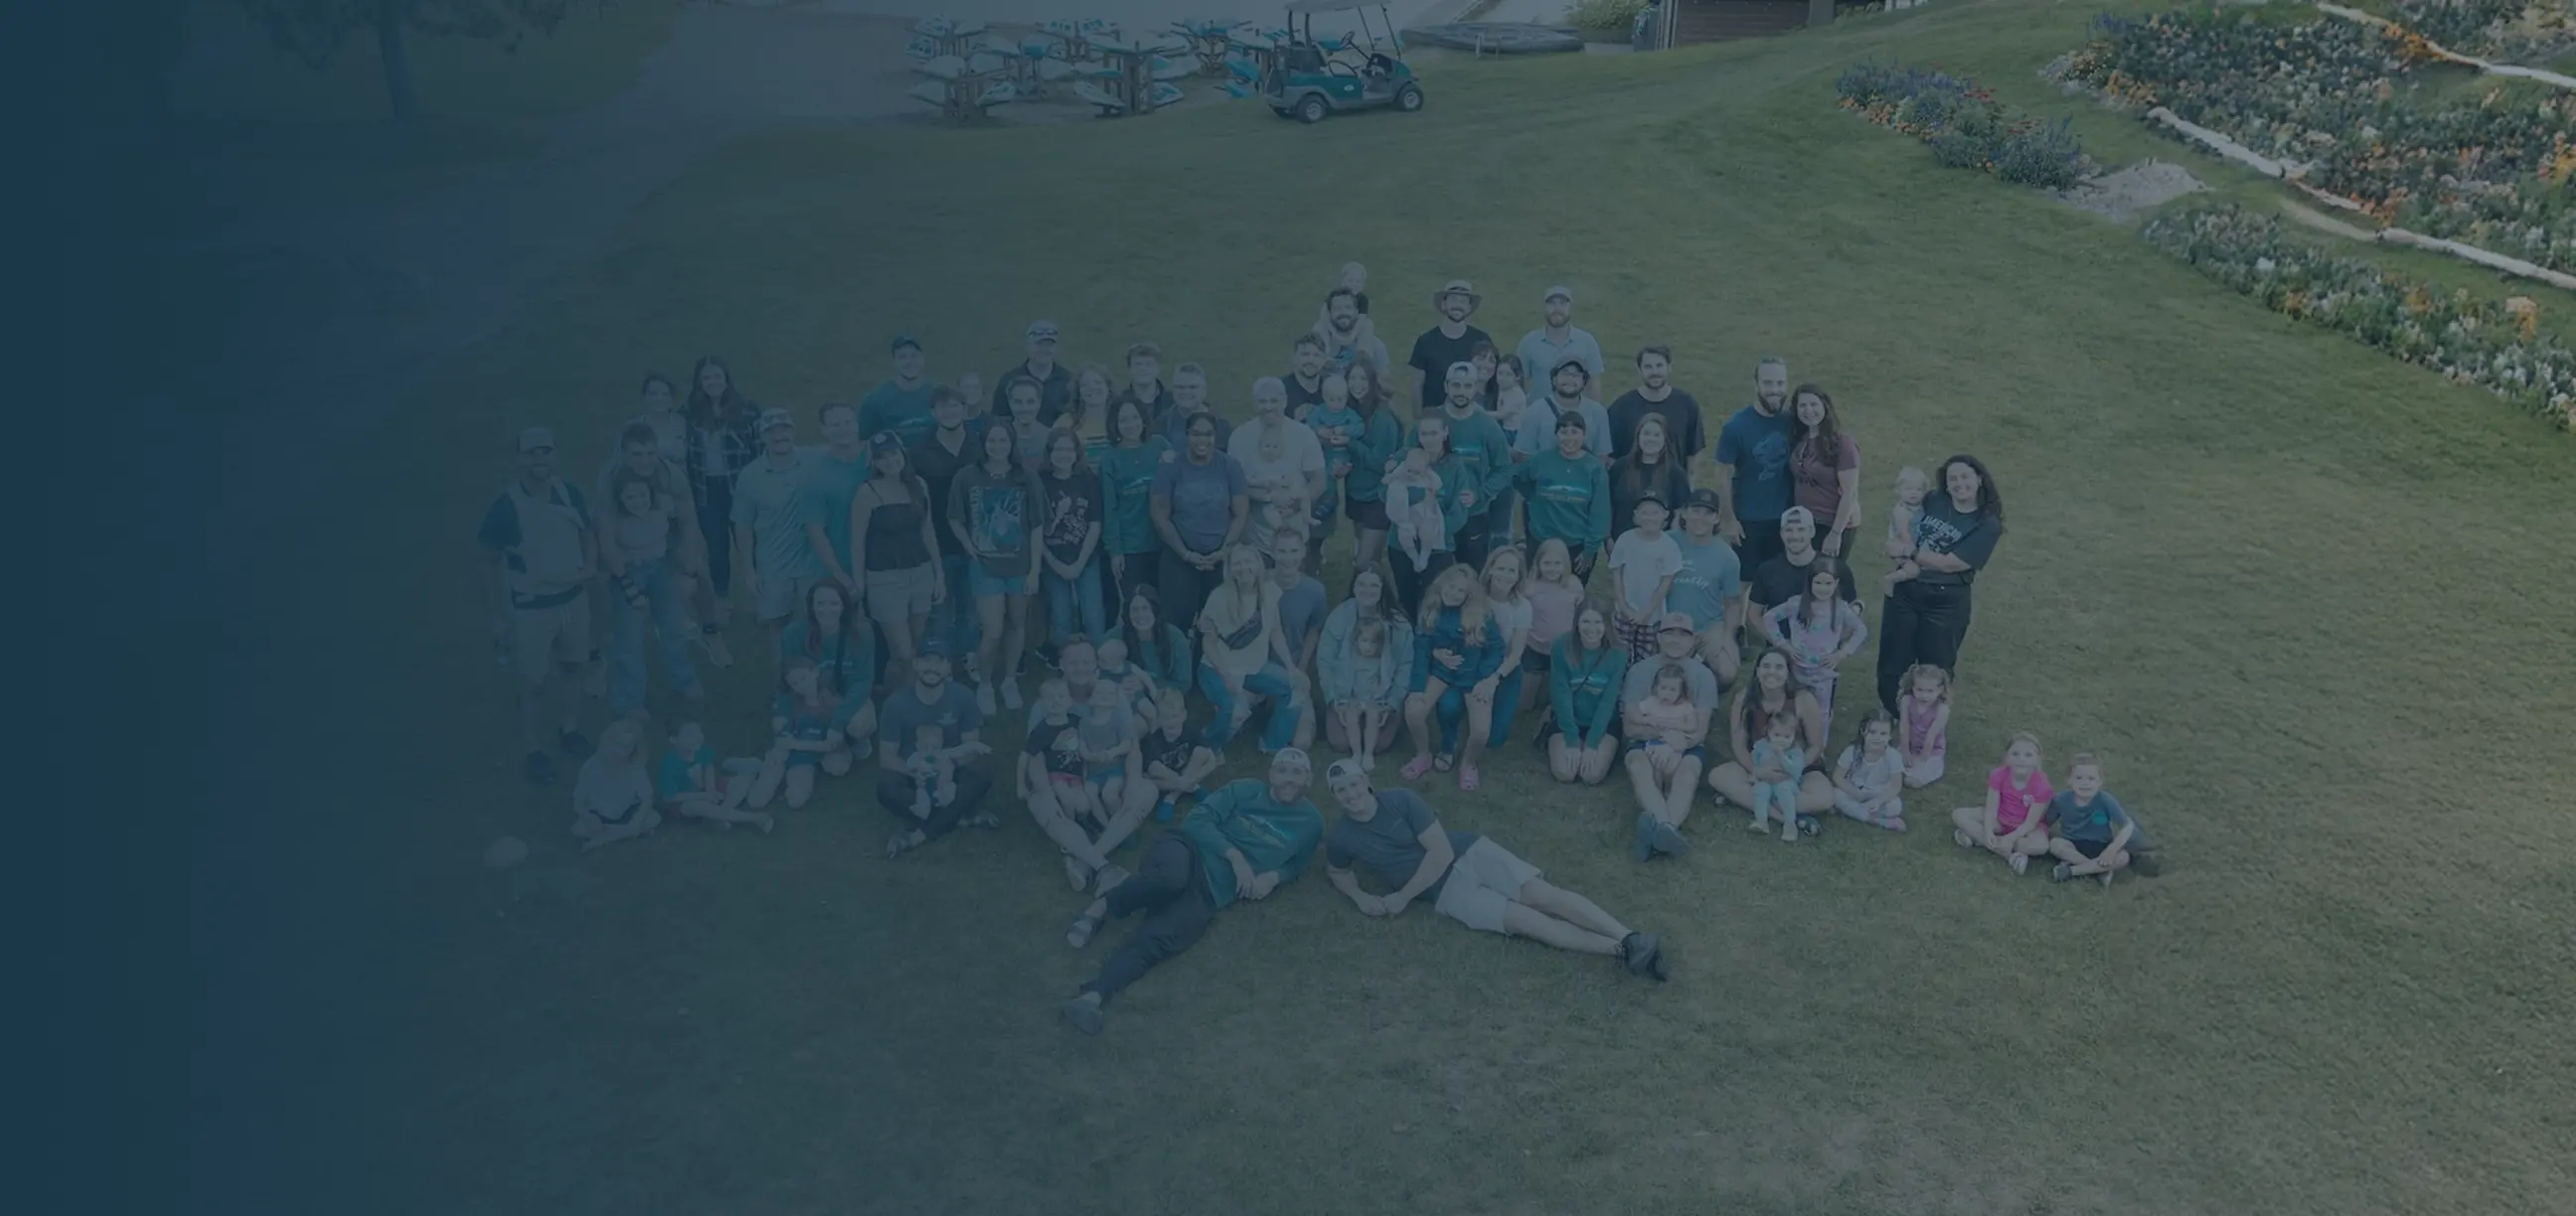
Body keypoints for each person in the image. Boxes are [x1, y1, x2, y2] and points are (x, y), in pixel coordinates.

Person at [1059, 750, 1327, 1036]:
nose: (1289, 779)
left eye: (1297, 773)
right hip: (1186, 849)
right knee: (1169, 880)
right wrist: (1235, 856)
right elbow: (1197, 821)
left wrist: (1273, 877)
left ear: (1308, 779)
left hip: (1212, 893)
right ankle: (1097, 910)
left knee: (1157, 940)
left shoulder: (1311, 823)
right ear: (1271, 774)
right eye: (1283, 770)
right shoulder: (1246, 789)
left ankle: (1093, 997)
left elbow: (1297, 864)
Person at [1321, 760, 1668, 978]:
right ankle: (1623, 951)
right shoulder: (1341, 836)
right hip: (1445, 894)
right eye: (1340, 790)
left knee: (1543, 896)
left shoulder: (1400, 800)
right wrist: (1359, 897)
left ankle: (1629, 935)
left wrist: (1402, 897)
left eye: (1353, 784)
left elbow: (1439, 854)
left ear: (1366, 781)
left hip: (1468, 853)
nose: (1350, 794)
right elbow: (1338, 872)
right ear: (1335, 796)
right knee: (1531, 924)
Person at [478, 427, 598, 785]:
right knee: (534, 681)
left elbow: (587, 532)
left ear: (554, 456)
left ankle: (569, 729)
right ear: (520, 460)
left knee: (574, 667)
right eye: (532, 453)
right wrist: (496, 616)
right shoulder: (506, 507)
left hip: (573, 602)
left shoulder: (569, 492)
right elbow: (486, 560)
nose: (539, 459)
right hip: (532, 609)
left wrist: (590, 565)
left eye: (545, 452)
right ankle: (534, 749)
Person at [1876, 454, 2006, 715]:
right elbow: (1902, 510)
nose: (1959, 483)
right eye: (1952, 479)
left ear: (1979, 480)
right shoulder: (1934, 500)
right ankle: (1894, 716)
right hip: (1906, 593)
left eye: (1965, 477)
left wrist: (1908, 552)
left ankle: (1926, 725)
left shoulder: (1987, 523)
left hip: (1945, 603)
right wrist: (1896, 542)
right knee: (1892, 663)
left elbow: (1952, 563)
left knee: (1936, 669)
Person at [949, 417, 1045, 714]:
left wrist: (1035, 570)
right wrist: (969, 548)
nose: (997, 446)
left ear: (1012, 444)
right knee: (992, 630)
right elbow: (954, 517)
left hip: (1020, 566)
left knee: (1017, 623)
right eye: (992, 440)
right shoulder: (967, 477)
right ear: (983, 443)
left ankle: (1010, 680)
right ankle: (986, 684)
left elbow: (1037, 525)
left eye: (1003, 440)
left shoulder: (1026, 478)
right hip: (985, 567)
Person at [599, 462, 705, 719]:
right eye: (630, 497)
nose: (638, 501)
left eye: (642, 495)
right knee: (629, 641)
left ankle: (684, 680)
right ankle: (629, 701)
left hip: (661, 568)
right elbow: (608, 551)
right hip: (628, 572)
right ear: (620, 499)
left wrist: (686, 569)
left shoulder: (663, 508)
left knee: (673, 628)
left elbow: (687, 524)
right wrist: (628, 588)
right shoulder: (612, 518)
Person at [1020, 677, 1140, 896]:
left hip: (1081, 777)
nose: (1057, 702)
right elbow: (1030, 758)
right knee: (1060, 804)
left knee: (1085, 802)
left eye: (1061, 698)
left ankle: (1085, 858)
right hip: (1054, 779)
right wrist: (1031, 787)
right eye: (1051, 699)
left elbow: (1127, 745)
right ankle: (1095, 858)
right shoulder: (1042, 723)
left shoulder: (1078, 720)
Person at [880, 636, 998, 857]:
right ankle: (961, 815)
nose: (932, 668)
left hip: (950, 773)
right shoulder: (895, 704)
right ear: (915, 664)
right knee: (886, 788)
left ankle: (917, 833)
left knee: (983, 772)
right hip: (913, 776)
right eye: (926, 660)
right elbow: (887, 757)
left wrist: (948, 767)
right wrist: (916, 771)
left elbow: (970, 748)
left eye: (939, 661)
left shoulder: (963, 697)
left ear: (947, 667)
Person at [725, 409, 824, 663]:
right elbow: (743, 526)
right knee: (778, 625)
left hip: (812, 561)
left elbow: (852, 451)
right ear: (762, 437)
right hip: (773, 565)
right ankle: (784, 681)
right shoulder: (750, 476)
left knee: (820, 621)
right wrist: (749, 570)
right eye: (771, 431)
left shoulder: (815, 459)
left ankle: (821, 679)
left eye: (784, 429)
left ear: (793, 431)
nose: (779, 436)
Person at [1705, 649, 1838, 836]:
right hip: (1759, 764)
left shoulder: (1803, 700)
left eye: (1779, 667)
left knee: (1824, 799)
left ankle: (1746, 799)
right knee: (1717, 776)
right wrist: (1757, 771)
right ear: (1757, 671)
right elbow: (1738, 745)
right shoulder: (1743, 699)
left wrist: (1791, 769)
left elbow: (1816, 746)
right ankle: (1786, 817)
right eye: (1766, 666)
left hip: (1801, 768)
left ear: (1787, 673)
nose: (1771, 672)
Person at [847, 432, 944, 685]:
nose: (890, 461)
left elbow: (928, 530)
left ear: (902, 454)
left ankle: (904, 694)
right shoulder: (867, 493)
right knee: (902, 652)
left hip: (920, 572)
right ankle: (911, 700)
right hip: (885, 579)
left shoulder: (918, 486)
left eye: (893, 453)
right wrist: (860, 583)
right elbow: (857, 543)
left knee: (917, 644)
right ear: (875, 463)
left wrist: (939, 575)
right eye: (882, 457)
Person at [1400, 564, 1505, 790]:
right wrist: (1418, 688)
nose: (1454, 594)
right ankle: (1423, 754)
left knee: (1480, 730)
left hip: (1474, 676)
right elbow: (1422, 649)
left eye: (1461, 591)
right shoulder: (1430, 610)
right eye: (1451, 587)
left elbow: (1497, 650)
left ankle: (1469, 764)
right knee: (1413, 710)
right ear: (1441, 585)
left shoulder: (1482, 615)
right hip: (1442, 673)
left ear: (1469, 595)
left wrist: (1486, 678)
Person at [682, 357, 760, 656]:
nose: (713, 382)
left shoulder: (747, 410)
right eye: (707, 378)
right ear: (699, 383)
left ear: (727, 379)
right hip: (706, 491)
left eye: (717, 376)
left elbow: (758, 449)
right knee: (716, 549)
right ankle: (722, 601)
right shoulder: (689, 414)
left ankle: (760, 599)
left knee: (750, 547)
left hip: (740, 489)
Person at [1197, 545, 1308, 754]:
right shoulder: (1218, 597)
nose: (1243, 567)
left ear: (1258, 565)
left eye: (1248, 561)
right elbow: (1208, 642)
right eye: (1237, 563)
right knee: (1234, 711)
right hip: (1216, 668)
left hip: (1254, 669)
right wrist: (1225, 675)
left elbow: (1275, 633)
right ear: (1230, 569)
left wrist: (1291, 668)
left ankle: (1272, 744)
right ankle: (1209, 742)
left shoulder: (1272, 592)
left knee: (1296, 689)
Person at [1150, 412, 1249, 630]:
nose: (1202, 440)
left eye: (1208, 434)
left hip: (1220, 557)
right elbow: (1160, 516)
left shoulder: (1230, 466)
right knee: (1177, 622)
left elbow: (1240, 513)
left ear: (1216, 436)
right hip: (1179, 557)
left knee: (1218, 623)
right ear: (1186, 435)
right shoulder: (1171, 466)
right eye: (1196, 434)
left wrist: (1224, 551)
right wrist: (1185, 554)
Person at [1410, 362, 1514, 570]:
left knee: (1472, 574)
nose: (1461, 391)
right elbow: (1407, 456)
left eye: (1467, 386)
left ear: (1476, 388)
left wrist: (1481, 493)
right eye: (1455, 385)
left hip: (1472, 513)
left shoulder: (1487, 425)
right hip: (1432, 511)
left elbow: (1505, 468)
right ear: (1446, 386)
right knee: (1431, 573)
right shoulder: (1432, 420)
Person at [1620, 634, 1712, 863]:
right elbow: (1630, 724)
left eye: (1682, 634)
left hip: (1683, 747)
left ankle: (1656, 831)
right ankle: (1666, 829)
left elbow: (1698, 729)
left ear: (1692, 641)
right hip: (1649, 743)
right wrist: (1661, 732)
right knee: (1640, 767)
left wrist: (1679, 736)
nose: (1675, 639)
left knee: (1688, 773)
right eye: (1670, 632)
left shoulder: (1701, 677)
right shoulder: (1641, 671)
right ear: (1659, 637)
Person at [908, 385, 981, 661]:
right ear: (932, 413)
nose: (950, 411)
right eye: (943, 406)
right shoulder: (918, 453)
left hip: (977, 543)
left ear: (964, 410)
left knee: (971, 610)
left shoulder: (980, 445)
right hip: (938, 544)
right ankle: (940, 663)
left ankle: (970, 658)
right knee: (941, 611)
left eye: (955, 405)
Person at [1318, 567, 1415, 761]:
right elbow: (1325, 661)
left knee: (1379, 745)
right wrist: (1334, 700)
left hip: (1381, 695)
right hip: (1345, 694)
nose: (1366, 590)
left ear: (1382, 589)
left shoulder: (1398, 624)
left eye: (1373, 585)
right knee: (1340, 743)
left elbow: (1405, 665)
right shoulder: (1340, 615)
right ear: (1353, 587)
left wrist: (1392, 703)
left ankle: (1379, 729)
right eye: (1361, 584)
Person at [1460, 545, 1533, 787]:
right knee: (1468, 720)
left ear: (1519, 575)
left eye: (1512, 570)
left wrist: (1494, 680)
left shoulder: (1522, 606)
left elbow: (1517, 653)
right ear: (1490, 570)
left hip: (1507, 672)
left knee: (1495, 738)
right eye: (1500, 568)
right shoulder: (1474, 599)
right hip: (1474, 666)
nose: (1505, 575)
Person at [779, 581, 878, 761]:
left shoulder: (862, 633)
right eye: (820, 603)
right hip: (812, 699)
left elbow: (863, 681)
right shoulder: (793, 634)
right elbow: (788, 679)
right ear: (811, 606)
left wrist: (838, 724)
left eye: (834, 603)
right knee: (836, 768)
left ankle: (854, 739)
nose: (827, 610)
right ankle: (826, 741)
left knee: (858, 725)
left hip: (848, 696)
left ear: (844, 606)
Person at [1381, 416, 1473, 612]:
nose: (1430, 439)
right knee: (1407, 598)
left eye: (1435, 433)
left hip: (1439, 545)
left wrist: (1433, 531)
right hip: (1402, 543)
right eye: (1424, 434)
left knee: (1435, 600)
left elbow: (1459, 510)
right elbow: (1383, 493)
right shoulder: (1404, 458)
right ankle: (1409, 637)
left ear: (1445, 433)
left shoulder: (1455, 466)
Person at [1228, 377, 1328, 556]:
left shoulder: (1303, 434)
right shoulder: (1239, 436)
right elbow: (1234, 486)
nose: (1268, 407)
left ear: (1284, 401)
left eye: (1274, 401)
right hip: (1254, 540)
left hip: (1295, 538)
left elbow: (1319, 480)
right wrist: (1270, 496)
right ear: (1253, 403)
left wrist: (1297, 504)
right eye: (1262, 401)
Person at [1715, 357, 1796, 573]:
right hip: (1748, 521)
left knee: (1782, 583)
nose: (1775, 390)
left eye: (1780, 383)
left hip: (1788, 522)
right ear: (1756, 385)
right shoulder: (1736, 427)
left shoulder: (1794, 422)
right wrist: (1729, 519)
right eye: (1768, 383)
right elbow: (1723, 475)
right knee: (1743, 584)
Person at [1761, 562, 1867, 723]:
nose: (1823, 588)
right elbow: (1769, 617)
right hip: (1796, 668)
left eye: (1828, 583)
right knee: (1792, 707)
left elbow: (1861, 630)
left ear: (1836, 584)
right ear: (1810, 582)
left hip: (1823, 672)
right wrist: (1782, 644)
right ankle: (1789, 739)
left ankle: (1819, 745)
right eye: (1818, 583)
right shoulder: (1796, 604)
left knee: (1822, 712)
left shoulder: (1840, 609)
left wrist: (1842, 653)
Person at [1515, 411, 1613, 582]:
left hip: (1576, 545)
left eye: (1575, 432)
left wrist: (1590, 549)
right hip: (1540, 541)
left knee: (1569, 596)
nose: (1569, 438)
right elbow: (1518, 478)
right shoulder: (1541, 460)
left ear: (1584, 435)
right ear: (1556, 435)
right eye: (1563, 432)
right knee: (1533, 591)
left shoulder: (1595, 469)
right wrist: (1533, 496)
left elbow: (1600, 512)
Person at [1098, 396, 1172, 616]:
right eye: (1123, 420)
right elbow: (1109, 509)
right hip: (1130, 548)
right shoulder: (1109, 459)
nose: (1130, 424)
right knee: (1137, 607)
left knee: (1163, 605)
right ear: (1115, 424)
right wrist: (1115, 551)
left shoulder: (1160, 445)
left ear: (1143, 419)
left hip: (1163, 542)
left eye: (1134, 417)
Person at [1036, 426, 1108, 646]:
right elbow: (1034, 527)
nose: (1063, 455)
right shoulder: (1039, 482)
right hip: (1052, 560)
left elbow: (1095, 524)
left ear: (1077, 453)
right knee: (1061, 615)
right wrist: (1054, 563)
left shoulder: (1088, 479)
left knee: (1093, 614)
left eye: (1069, 450)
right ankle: (1065, 664)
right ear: (1049, 453)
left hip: (1086, 560)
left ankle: (1099, 662)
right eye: (1058, 450)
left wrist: (1079, 564)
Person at [750, 656, 852, 811]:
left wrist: (796, 745)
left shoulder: (831, 703)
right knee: (756, 801)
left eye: (802, 678)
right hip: (782, 752)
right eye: (794, 683)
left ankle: (776, 774)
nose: (800, 685)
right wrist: (782, 743)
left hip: (805, 757)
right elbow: (780, 732)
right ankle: (753, 770)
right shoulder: (788, 701)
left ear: (815, 672)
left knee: (796, 800)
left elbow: (830, 744)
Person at [1669, 490, 1745, 686]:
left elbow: (1733, 603)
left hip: (1708, 626)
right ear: (1684, 513)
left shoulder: (1727, 557)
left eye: (1707, 513)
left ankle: (1701, 688)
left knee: (1727, 672)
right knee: (1659, 672)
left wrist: (1728, 637)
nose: (1700, 518)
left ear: (1716, 518)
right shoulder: (1666, 542)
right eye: (1695, 510)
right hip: (1668, 625)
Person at [1547, 603, 1628, 786]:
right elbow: (1561, 694)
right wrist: (1572, 741)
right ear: (1577, 623)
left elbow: (1608, 702)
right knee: (1565, 773)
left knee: (1591, 775)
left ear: (1607, 625)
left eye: (1598, 622)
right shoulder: (1562, 645)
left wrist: (1592, 744)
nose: (1592, 629)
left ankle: (1598, 748)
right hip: (1570, 718)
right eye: (1586, 621)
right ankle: (1560, 739)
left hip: (1603, 721)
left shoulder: (1618, 652)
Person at [800, 402, 872, 606]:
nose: (843, 429)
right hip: (839, 569)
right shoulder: (816, 476)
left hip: (878, 563)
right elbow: (816, 533)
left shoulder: (876, 458)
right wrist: (840, 575)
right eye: (836, 425)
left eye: (848, 422)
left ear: (857, 424)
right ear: (824, 430)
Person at [2043, 753, 2156, 884]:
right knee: (2055, 844)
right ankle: (2098, 870)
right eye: (2079, 778)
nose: (2085, 783)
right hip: (2073, 843)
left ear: (2100, 782)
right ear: (2069, 780)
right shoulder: (2061, 799)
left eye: (2091, 779)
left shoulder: (2105, 799)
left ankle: (2072, 871)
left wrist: (2111, 850)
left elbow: (2128, 826)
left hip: (2101, 846)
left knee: (2123, 857)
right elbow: (2046, 823)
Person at [1954, 731, 2054, 875]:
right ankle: (2010, 856)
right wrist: (1988, 831)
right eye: (2015, 754)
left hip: (2026, 828)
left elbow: (2031, 823)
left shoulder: (2042, 786)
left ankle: (1976, 839)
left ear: (2037, 760)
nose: (2021, 759)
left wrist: (2011, 838)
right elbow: (1991, 808)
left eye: (2028, 755)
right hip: (2000, 820)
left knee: (2041, 846)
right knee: (1959, 814)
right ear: (2007, 757)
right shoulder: (1998, 774)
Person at [1340, 361, 1406, 577]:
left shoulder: (1383, 418)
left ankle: (1359, 601)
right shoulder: (1349, 410)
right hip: (1356, 494)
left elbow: (1380, 463)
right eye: (1352, 378)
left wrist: (1349, 442)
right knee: (1371, 560)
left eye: (1362, 379)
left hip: (1378, 497)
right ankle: (1378, 601)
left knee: (1363, 563)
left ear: (1372, 382)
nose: (1356, 384)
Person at [1746, 508, 1860, 625]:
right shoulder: (1767, 570)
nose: (1795, 536)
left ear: (1812, 532)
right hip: (1779, 639)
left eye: (1801, 529)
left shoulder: (1835, 568)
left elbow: (1853, 607)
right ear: (1781, 534)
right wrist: (1777, 641)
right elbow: (1754, 613)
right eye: (1789, 530)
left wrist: (1836, 640)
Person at [657, 719, 773, 832]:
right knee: (699, 806)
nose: (698, 737)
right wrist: (703, 795)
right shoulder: (670, 763)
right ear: (674, 739)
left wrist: (711, 791)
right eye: (690, 734)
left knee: (742, 782)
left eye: (699, 731)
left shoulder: (701, 750)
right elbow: (669, 797)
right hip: (685, 802)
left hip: (705, 791)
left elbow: (709, 769)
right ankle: (755, 818)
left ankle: (718, 816)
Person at [1787, 383, 1860, 559]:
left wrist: (1835, 534)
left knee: (1826, 579)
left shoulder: (1843, 443)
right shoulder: (1801, 440)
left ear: (1825, 407)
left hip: (1833, 524)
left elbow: (1849, 494)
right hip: (1806, 522)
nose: (1808, 410)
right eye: (1802, 405)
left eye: (1814, 404)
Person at [1607, 492, 1682, 660]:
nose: (1650, 518)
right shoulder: (1625, 539)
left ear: (1666, 515)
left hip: (1652, 617)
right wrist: (1623, 606)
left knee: (1646, 657)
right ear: (1636, 515)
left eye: (1655, 513)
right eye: (1644, 513)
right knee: (1619, 655)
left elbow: (1665, 583)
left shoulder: (1669, 546)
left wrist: (1646, 612)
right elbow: (1617, 573)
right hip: (1624, 613)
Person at [1518, 537, 1584, 720]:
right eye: (1547, 563)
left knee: (1550, 692)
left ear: (1566, 565)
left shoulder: (1573, 585)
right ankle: (1524, 710)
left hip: (1563, 648)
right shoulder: (1530, 587)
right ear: (1538, 564)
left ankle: (1545, 706)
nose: (1552, 568)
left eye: (1558, 563)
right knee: (1525, 699)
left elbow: (1580, 613)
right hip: (1535, 645)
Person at [1606, 345, 1706, 466]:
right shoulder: (1621, 408)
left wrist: (1688, 483)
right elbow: (1611, 457)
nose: (1655, 372)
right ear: (1639, 370)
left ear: (1669, 367)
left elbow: (1694, 451)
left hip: (1674, 482)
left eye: (1659, 366)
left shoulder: (1687, 404)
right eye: (1648, 367)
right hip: (1631, 483)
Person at [1608, 414, 1692, 553]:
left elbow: (1679, 512)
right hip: (1622, 545)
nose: (1650, 439)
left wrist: (1671, 544)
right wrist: (1608, 539)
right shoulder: (1620, 467)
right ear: (1638, 436)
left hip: (1659, 548)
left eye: (1656, 435)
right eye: (1646, 434)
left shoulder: (1675, 472)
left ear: (1665, 439)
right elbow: (1608, 505)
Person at [1304, 373, 1364, 568]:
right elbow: (1310, 422)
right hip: (1324, 454)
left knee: (1339, 469)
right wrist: (1319, 430)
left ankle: (1333, 502)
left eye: (1340, 399)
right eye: (1332, 399)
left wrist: (1344, 431)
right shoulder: (1320, 412)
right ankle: (1328, 503)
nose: (1336, 404)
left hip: (1343, 453)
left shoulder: (1348, 414)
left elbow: (1360, 427)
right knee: (1326, 479)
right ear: (1324, 397)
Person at [571, 718, 659, 851]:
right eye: (616, 744)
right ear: (607, 742)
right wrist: (588, 817)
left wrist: (637, 819)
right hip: (599, 815)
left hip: (627, 812)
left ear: (634, 749)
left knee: (654, 817)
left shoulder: (635, 767)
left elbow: (647, 798)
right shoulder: (591, 767)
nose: (619, 751)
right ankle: (628, 832)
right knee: (578, 829)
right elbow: (578, 800)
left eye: (626, 747)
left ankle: (604, 838)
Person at [1406, 278, 1494, 413]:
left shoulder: (1481, 340)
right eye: (1453, 300)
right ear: (1443, 304)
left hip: (1470, 418)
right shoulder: (1426, 341)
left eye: (1463, 301)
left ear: (1469, 307)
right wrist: (1419, 421)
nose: (1458, 305)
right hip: (1435, 420)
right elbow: (1416, 386)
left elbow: (1491, 381)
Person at [1514, 285, 1607, 410]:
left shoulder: (1587, 342)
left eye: (1562, 303)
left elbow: (1594, 385)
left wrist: (1593, 416)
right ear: (1544, 307)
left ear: (1570, 308)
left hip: (1575, 420)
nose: (1557, 309)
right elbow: (1518, 383)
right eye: (1552, 304)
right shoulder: (1529, 342)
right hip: (1539, 416)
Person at [1139, 686, 1219, 823]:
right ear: (1158, 719)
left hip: (1186, 773)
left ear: (1184, 715)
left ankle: (1171, 798)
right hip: (1167, 779)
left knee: (1202, 753)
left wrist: (1183, 781)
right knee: (1151, 777)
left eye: (1175, 716)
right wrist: (1179, 780)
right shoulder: (1151, 740)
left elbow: (1210, 758)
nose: (1171, 721)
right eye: (1165, 717)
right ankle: (1192, 787)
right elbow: (1152, 769)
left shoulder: (1190, 730)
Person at [1513, 356, 1613, 462]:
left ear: (1584, 381)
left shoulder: (1598, 413)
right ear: (1554, 379)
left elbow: (1602, 457)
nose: (1570, 379)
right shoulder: (1535, 411)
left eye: (1576, 375)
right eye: (1565, 373)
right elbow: (1524, 456)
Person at [1830, 708, 1907, 832]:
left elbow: (1896, 786)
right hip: (1854, 791)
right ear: (1863, 731)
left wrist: (1879, 800)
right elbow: (1838, 776)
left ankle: (1853, 811)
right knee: (1835, 794)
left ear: (1890, 736)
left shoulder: (1893, 756)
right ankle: (1874, 819)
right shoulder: (1852, 751)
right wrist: (1854, 791)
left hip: (1879, 793)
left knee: (1895, 806)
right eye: (1872, 732)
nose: (1877, 738)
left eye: (1883, 734)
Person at [860, 335, 938, 450]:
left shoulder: (939, 394)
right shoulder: (875, 400)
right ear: (894, 362)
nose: (909, 362)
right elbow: (864, 442)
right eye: (903, 357)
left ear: (923, 359)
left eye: (914, 356)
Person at [1268, 527, 1328, 681]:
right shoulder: (1257, 583)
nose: (1288, 558)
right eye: (1282, 551)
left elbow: (1313, 631)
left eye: (1294, 551)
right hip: (1258, 663)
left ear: (1303, 552)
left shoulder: (1315, 591)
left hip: (1294, 662)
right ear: (1272, 552)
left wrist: (1301, 667)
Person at [1119, 584, 1194, 701]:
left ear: (1155, 610)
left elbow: (1183, 684)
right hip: (1129, 701)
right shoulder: (1117, 635)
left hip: (1166, 700)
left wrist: (1145, 686)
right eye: (1134, 609)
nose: (1140, 615)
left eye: (1145, 608)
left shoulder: (1175, 637)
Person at [1743, 709, 1807, 843]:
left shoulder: (1795, 751)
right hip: (1766, 779)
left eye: (1787, 736)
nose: (1781, 740)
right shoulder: (1761, 746)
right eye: (1776, 734)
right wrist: (1757, 773)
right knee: (1760, 789)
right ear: (1768, 732)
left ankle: (1790, 824)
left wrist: (1781, 756)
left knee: (1783, 789)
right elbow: (1755, 762)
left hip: (1787, 782)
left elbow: (1795, 770)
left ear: (1794, 736)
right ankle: (1761, 820)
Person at [990, 320, 1072, 420]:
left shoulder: (1068, 380)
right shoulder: (1008, 381)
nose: (1044, 349)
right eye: (1039, 344)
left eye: (1049, 345)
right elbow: (998, 420)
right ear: (1028, 346)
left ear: (1056, 348)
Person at [1314, 284, 1389, 379]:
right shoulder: (1320, 341)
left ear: (1357, 312)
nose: (1343, 312)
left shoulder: (1376, 346)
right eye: (1337, 308)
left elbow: (1388, 388)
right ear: (1329, 314)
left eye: (1348, 307)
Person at [1896, 662, 1951, 788]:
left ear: (1940, 689)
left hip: (1930, 752)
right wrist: (1905, 752)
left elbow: (1930, 738)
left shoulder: (1942, 710)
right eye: (1919, 690)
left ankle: (1918, 773)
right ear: (1913, 687)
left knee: (1911, 781)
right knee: (1889, 768)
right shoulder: (1907, 701)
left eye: (1930, 691)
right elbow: (1904, 727)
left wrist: (1920, 760)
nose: (1924, 695)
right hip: (1909, 747)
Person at [1154, 363, 1232, 451]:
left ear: (1204, 390)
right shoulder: (1161, 423)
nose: (1186, 392)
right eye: (1180, 387)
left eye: (1192, 387)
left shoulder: (1221, 425)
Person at [1881, 466, 1931, 597]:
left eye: (1918, 489)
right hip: (1902, 546)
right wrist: (1913, 552)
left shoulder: (1919, 507)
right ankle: (1891, 579)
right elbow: (1903, 534)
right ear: (1899, 490)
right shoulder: (1901, 511)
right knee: (1914, 570)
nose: (1914, 492)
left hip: (1915, 544)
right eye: (1909, 489)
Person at [1115, 342, 1174, 419]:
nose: (1143, 369)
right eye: (1138, 364)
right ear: (1129, 368)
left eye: (1149, 364)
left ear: (1158, 368)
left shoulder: (1172, 401)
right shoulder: (1119, 402)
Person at [1282, 333, 1330, 416]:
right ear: (1294, 358)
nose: (1311, 360)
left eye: (1316, 355)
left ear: (1324, 360)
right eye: (1305, 354)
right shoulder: (1280, 389)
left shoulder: (1333, 388)